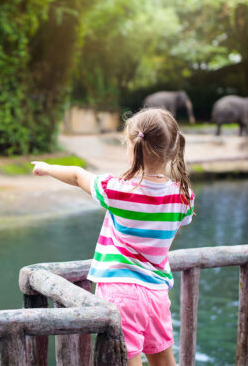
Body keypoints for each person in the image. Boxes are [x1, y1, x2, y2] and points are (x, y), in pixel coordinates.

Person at [31, 108, 195, 366]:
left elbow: (77, 175)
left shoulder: (117, 190)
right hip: (157, 292)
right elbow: (176, 225)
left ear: (133, 146)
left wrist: (47, 167)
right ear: (174, 149)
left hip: (121, 291)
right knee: (164, 360)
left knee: (126, 360)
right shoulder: (183, 196)